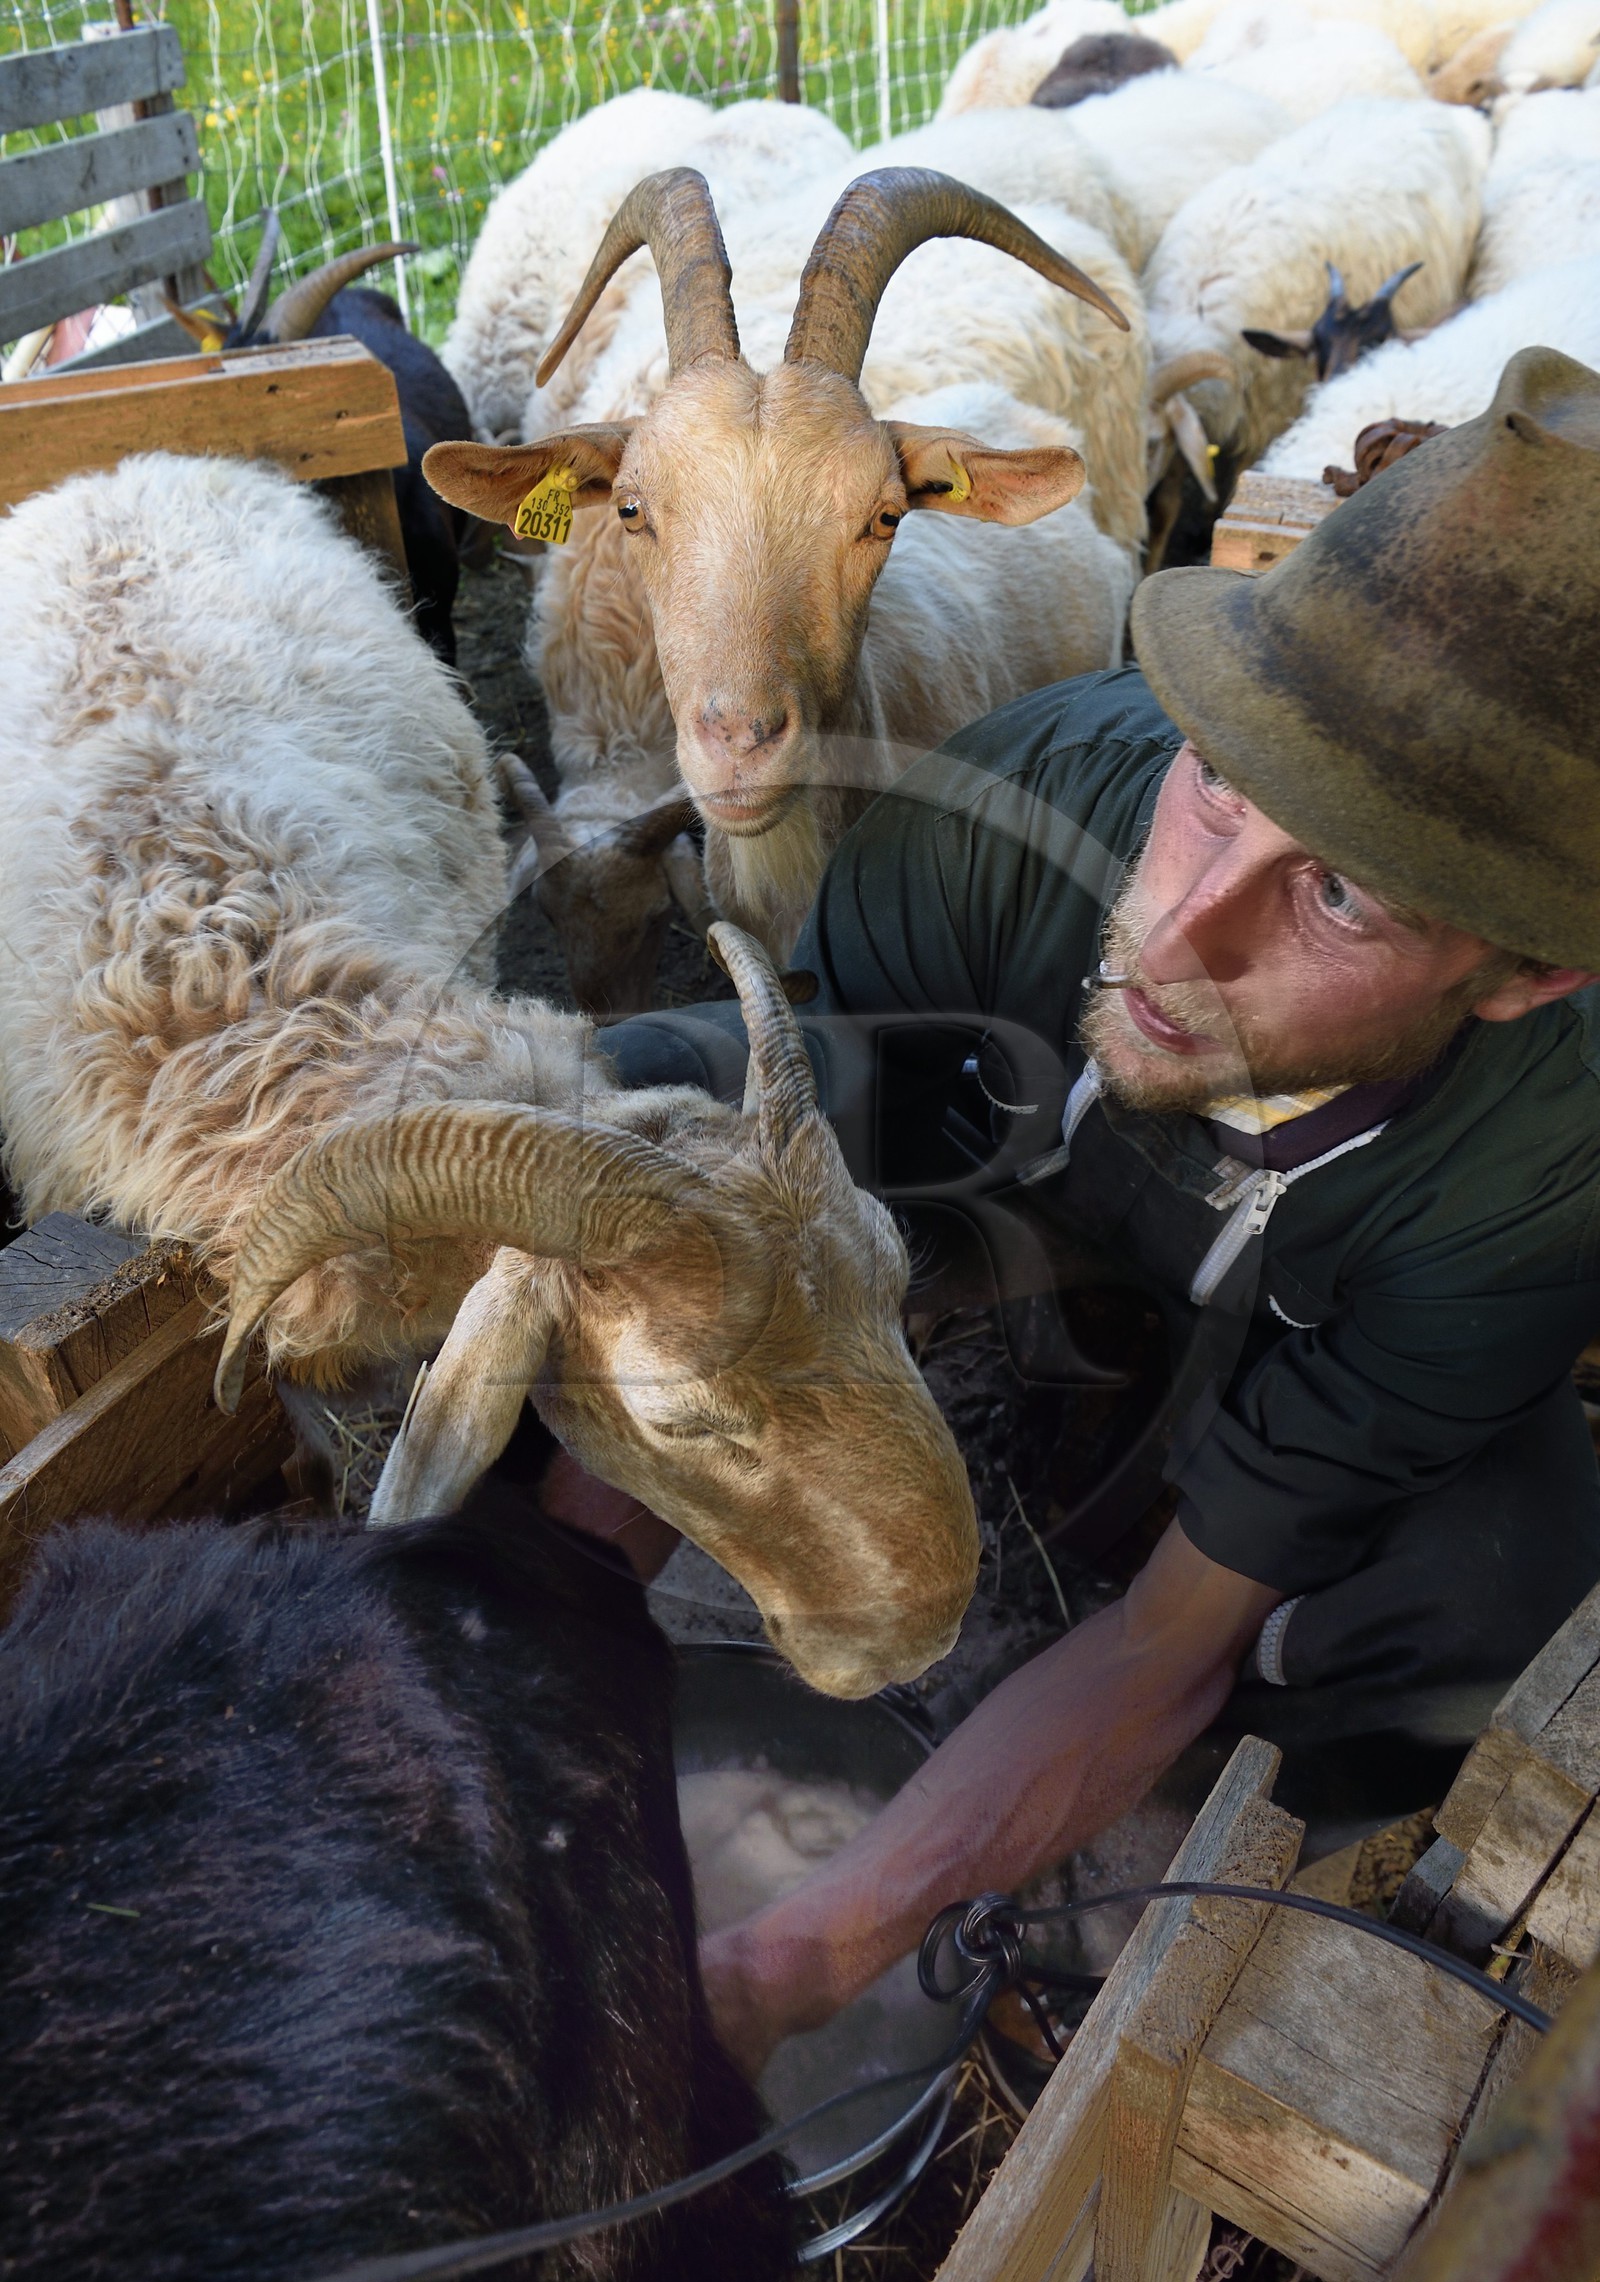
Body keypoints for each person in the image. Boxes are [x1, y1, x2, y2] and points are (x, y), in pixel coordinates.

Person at [573, 345, 1600, 2075]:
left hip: (1329, 1297)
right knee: (661, 1099)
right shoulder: (1017, 802)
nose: (1181, 934)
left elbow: (1165, 1644)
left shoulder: (1540, 1184)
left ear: (1521, 978)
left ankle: (1195, 1831)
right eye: (1220, 785)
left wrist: (790, 1962)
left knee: (1489, 1595)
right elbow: (785, 1146)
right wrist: (571, 1592)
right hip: (1033, 1183)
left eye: (1341, 897)